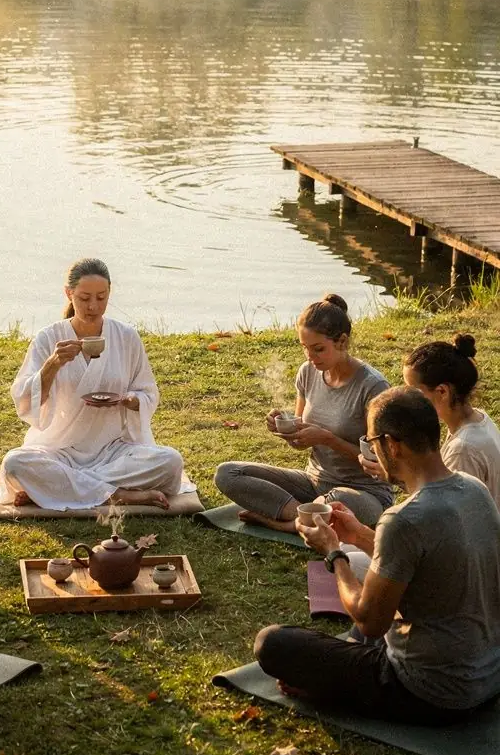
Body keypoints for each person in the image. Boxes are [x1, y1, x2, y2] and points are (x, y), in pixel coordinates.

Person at [254, 387, 500, 724]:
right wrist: (357, 534)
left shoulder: (404, 518)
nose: (370, 450)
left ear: (392, 445)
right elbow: (427, 563)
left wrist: (334, 554)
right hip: (488, 675)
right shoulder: (475, 489)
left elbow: (370, 620)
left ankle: (334, 689)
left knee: (272, 643)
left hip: (432, 691)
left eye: (371, 442)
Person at [1, 258, 187, 511]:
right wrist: (53, 364)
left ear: (110, 292)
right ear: (69, 294)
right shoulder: (49, 338)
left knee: (170, 462)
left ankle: (58, 489)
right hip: (59, 449)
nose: (93, 306)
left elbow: (148, 392)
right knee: (15, 464)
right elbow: (25, 399)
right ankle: (118, 494)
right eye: (84, 298)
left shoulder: (126, 337)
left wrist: (132, 400)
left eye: (101, 297)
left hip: (114, 450)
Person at [214, 294, 392, 532]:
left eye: (318, 349)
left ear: (342, 341)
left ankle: (282, 522)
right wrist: (286, 429)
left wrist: (328, 439)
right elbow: (300, 442)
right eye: (305, 349)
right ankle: (307, 516)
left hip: (363, 492)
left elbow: (383, 461)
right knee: (227, 473)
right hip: (312, 482)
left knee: (337, 501)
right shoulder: (308, 372)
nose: (310, 357)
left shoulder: (373, 387)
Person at [403, 334, 500, 508]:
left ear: (442, 392)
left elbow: (446, 515)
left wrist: (400, 475)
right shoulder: (479, 418)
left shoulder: (463, 450)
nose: (409, 399)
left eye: (414, 392)